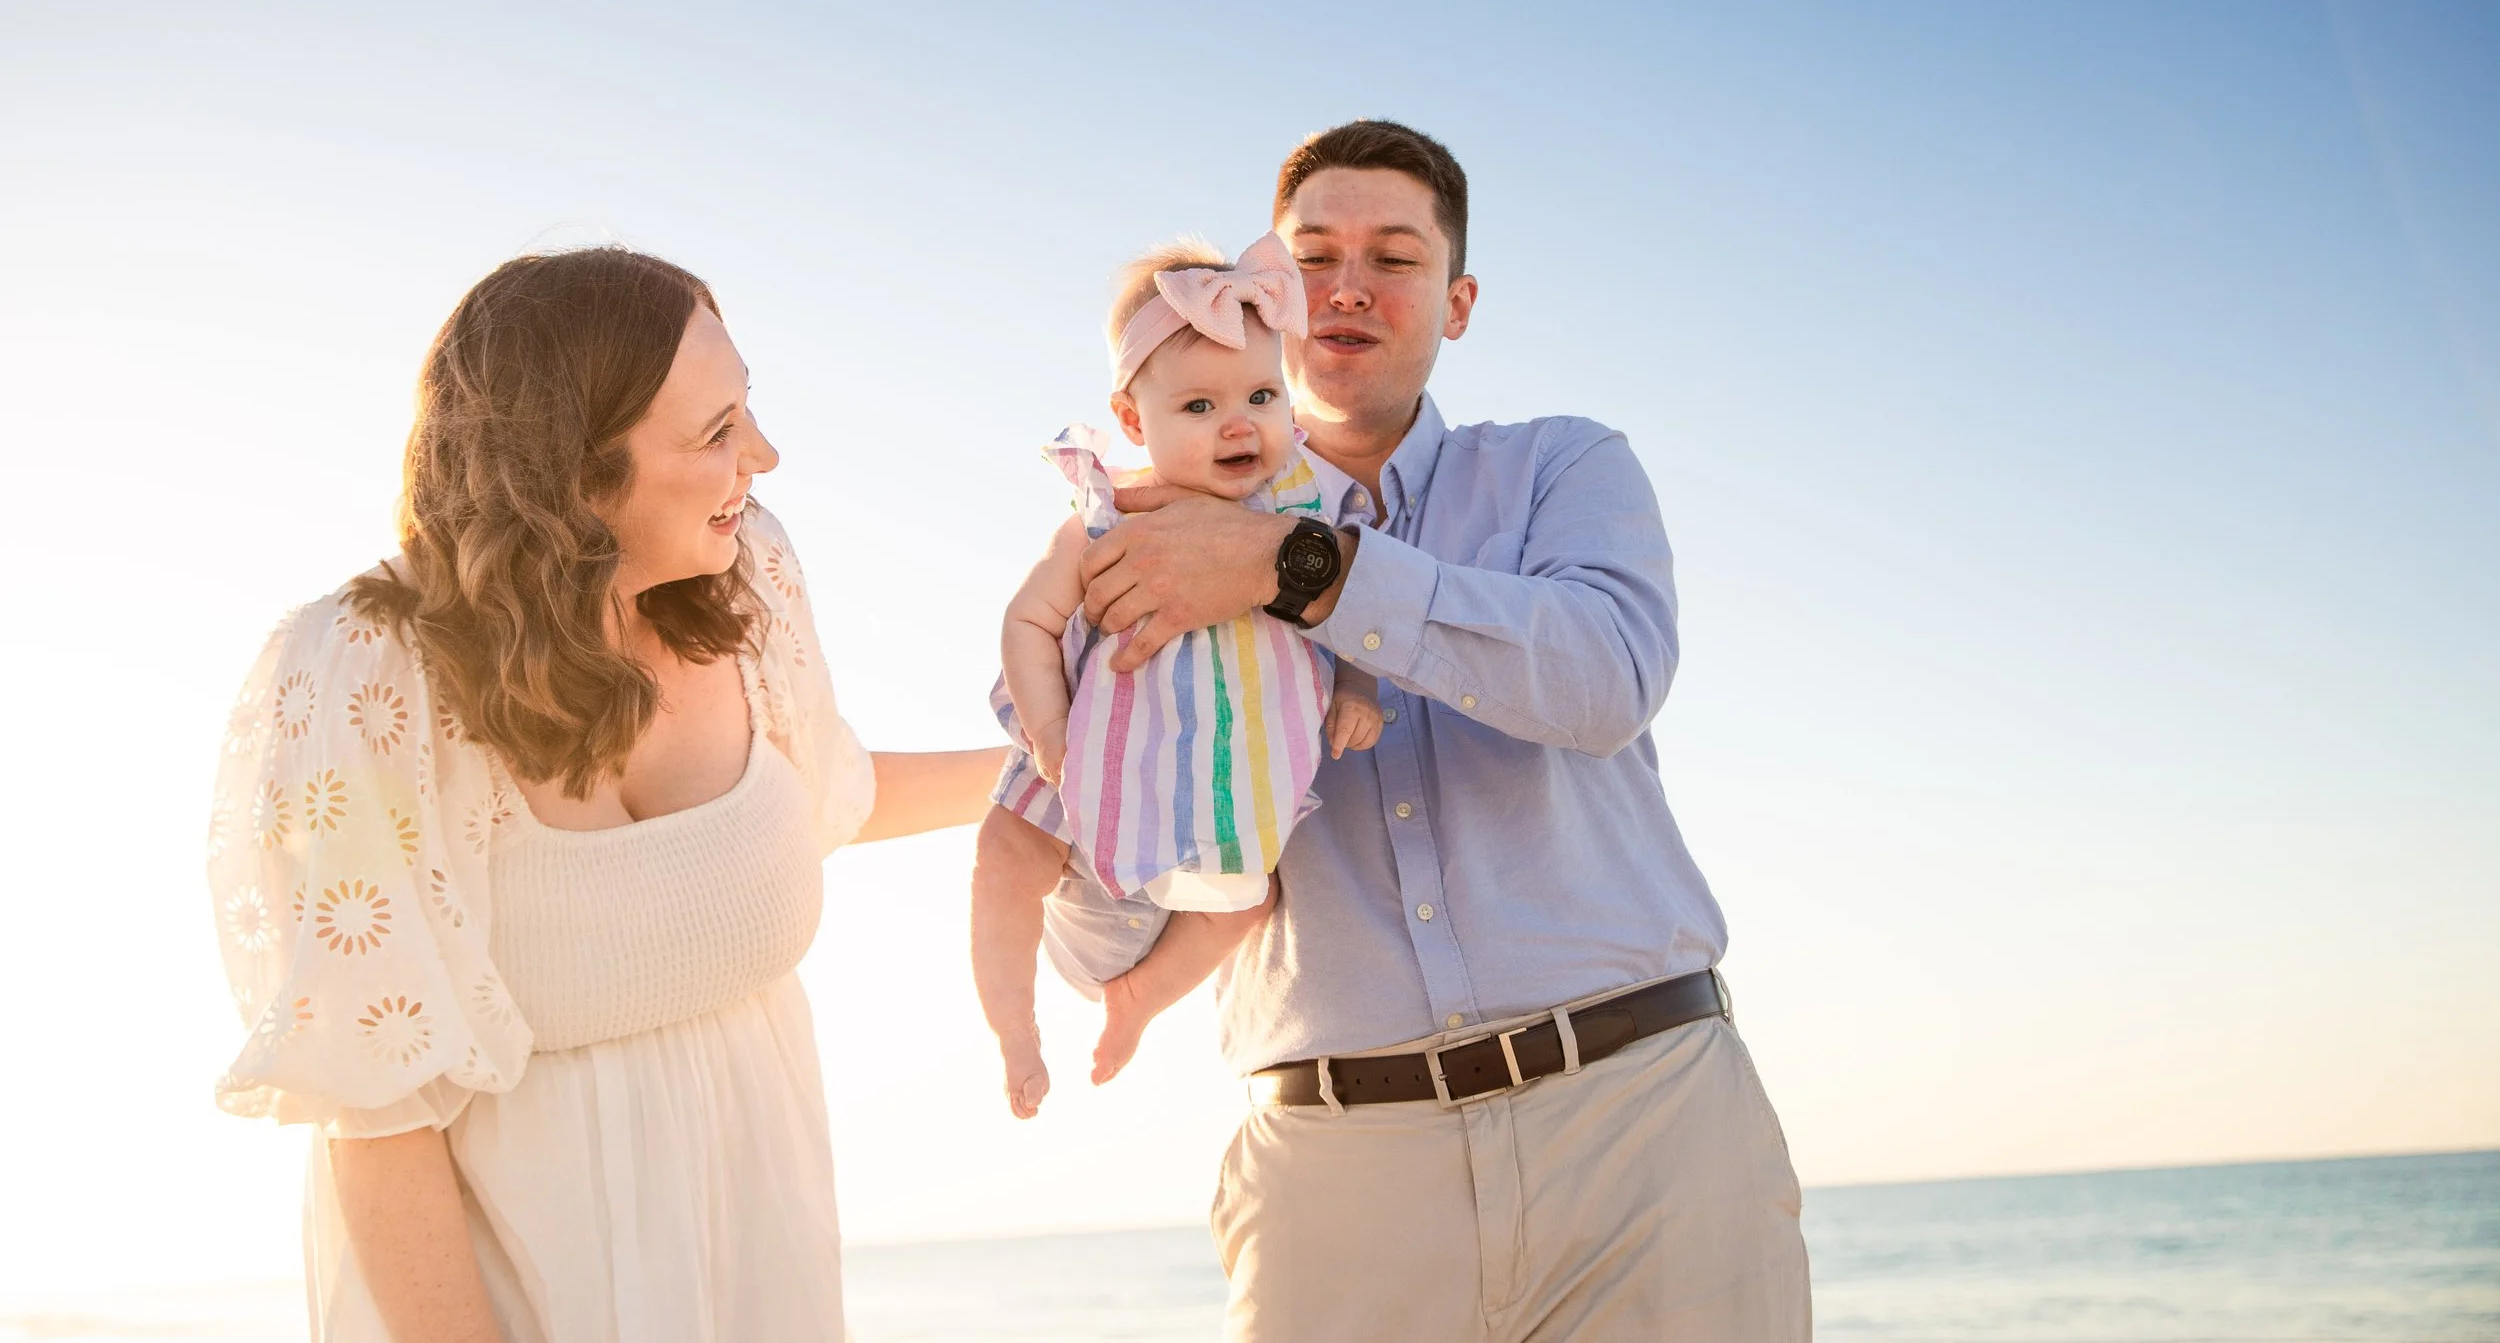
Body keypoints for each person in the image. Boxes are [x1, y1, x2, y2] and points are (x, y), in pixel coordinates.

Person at [1010, 121, 1813, 1339]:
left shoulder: (1563, 467)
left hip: (1642, 1131)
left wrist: (1296, 565)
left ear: (1459, 299)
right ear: (1260, 297)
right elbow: (1098, 948)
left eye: (1392, 255)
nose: (1344, 284)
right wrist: (1093, 777)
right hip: (1333, 1173)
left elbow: (1607, 676)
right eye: (1312, 253)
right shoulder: (1134, 542)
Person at [206, 248, 1002, 1343]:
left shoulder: (749, 574)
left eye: (748, 410)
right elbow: (371, 1100)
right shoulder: (362, 672)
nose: (763, 456)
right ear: (573, 477)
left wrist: (1063, 772)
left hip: (756, 1267)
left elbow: (831, 795)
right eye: (716, 432)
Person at [973, 233, 1382, 1118]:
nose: (1240, 423)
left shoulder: (1311, 510)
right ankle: (1015, 1031)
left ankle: (1139, 1001)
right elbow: (1029, 621)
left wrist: (1359, 687)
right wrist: (1047, 727)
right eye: (1199, 404)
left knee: (1249, 896)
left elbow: (1357, 606)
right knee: (1005, 852)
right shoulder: (1107, 517)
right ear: (1133, 421)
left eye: (1262, 395)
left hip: (1233, 777)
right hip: (1094, 751)